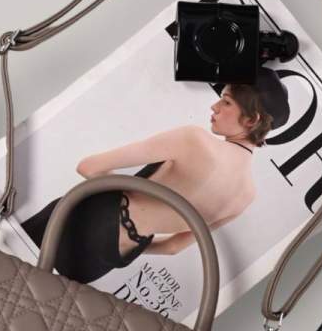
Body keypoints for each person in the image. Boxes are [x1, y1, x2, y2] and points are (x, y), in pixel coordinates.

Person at [21, 68, 289, 283]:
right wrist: (125, 242)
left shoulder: (195, 140)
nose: (214, 106)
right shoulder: (245, 196)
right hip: (107, 259)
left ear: (251, 120)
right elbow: (173, 248)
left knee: (4, 267)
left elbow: (89, 167)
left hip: (83, 221)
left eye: (226, 101)